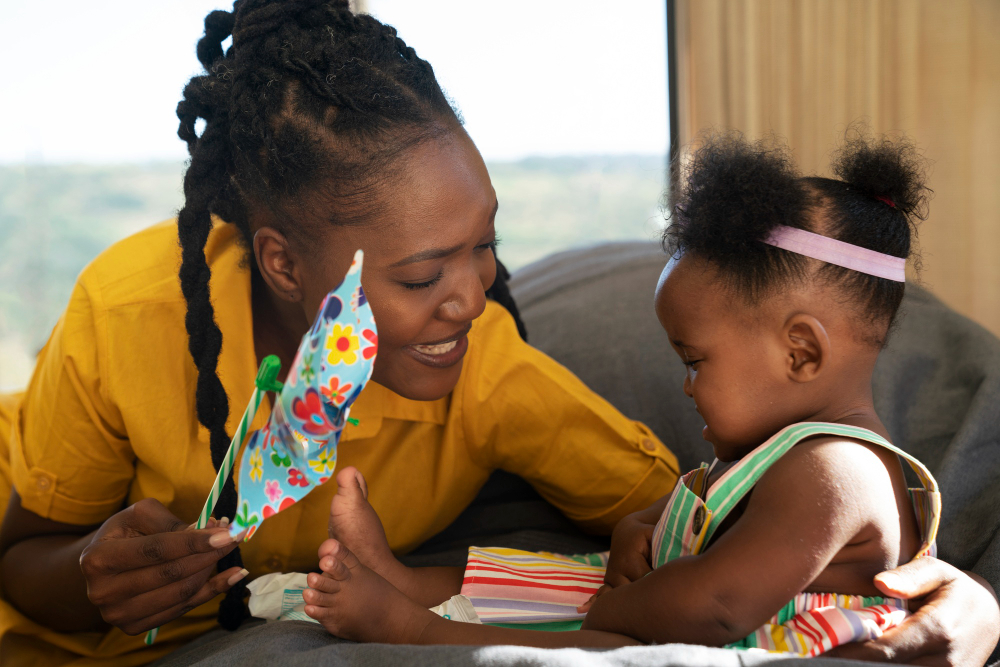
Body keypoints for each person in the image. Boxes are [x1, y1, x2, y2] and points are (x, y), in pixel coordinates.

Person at [0, 2, 993, 665]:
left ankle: (399, 600)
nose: (471, 298)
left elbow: (678, 554)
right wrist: (86, 572)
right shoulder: (128, 319)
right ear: (282, 263)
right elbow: (20, 548)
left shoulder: (490, 371)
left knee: (565, 578)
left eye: (486, 248)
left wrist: (972, 600)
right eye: (424, 273)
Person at [298, 133, 1000, 661]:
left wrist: (622, 603)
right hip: (690, 608)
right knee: (566, 573)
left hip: (746, 645)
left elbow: (721, 604)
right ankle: (407, 580)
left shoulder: (838, 470)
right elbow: (699, 520)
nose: (686, 384)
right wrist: (641, 527)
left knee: (604, 634)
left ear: (802, 351)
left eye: (695, 360)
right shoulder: (772, 451)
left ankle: (418, 628)